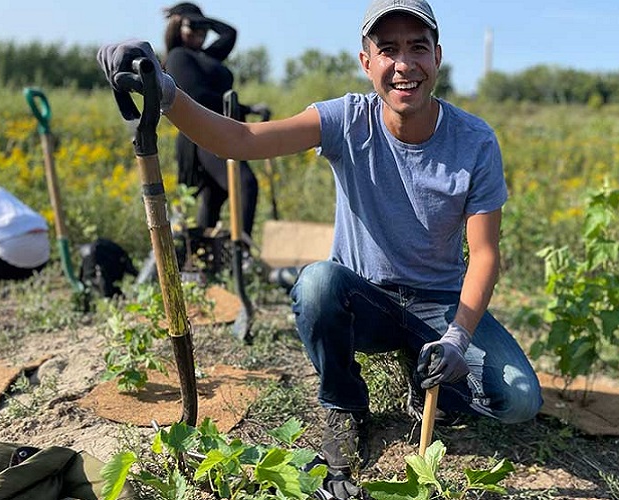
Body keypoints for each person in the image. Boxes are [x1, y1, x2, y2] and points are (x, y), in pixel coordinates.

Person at [98, 0, 542, 496]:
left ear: (437, 57)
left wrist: (459, 338)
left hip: (439, 306)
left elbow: (483, 255)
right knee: (315, 284)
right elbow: (240, 139)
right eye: (388, 49)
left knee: (519, 399)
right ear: (365, 62)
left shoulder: (475, 141)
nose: (404, 65)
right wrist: (167, 92)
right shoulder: (348, 120)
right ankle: (345, 404)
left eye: (418, 48)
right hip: (363, 299)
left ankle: (426, 371)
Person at [162, 2, 269, 238]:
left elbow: (230, 33)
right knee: (245, 184)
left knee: (213, 197)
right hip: (203, 134)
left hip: (222, 129)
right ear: (178, 26)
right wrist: (246, 108)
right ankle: (242, 254)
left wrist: (203, 20)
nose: (200, 34)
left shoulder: (206, 56)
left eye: (203, 31)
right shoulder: (177, 57)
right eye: (193, 28)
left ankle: (204, 260)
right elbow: (198, 97)